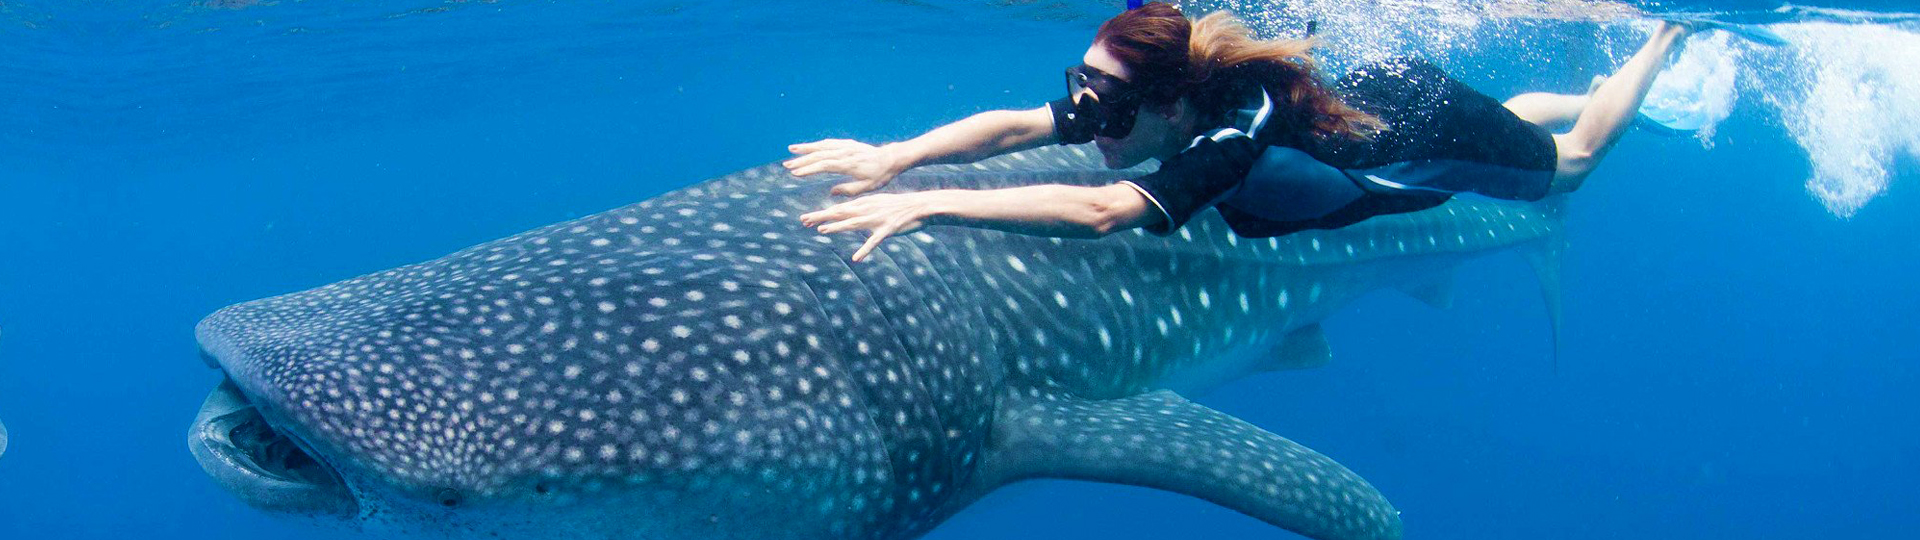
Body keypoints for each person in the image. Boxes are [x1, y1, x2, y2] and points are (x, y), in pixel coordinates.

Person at [789, 2, 1695, 262]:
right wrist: (895, 154)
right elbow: (1016, 125)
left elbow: (1106, 211)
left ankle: (1662, 38)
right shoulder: (1148, 98)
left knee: (1569, 168)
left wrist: (929, 206)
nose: (1085, 120)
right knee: (1510, 130)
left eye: (1104, 106)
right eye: (1085, 96)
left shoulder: (1233, 128)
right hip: (1378, 101)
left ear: (1174, 105)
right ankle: (1550, 105)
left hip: (1414, 130)